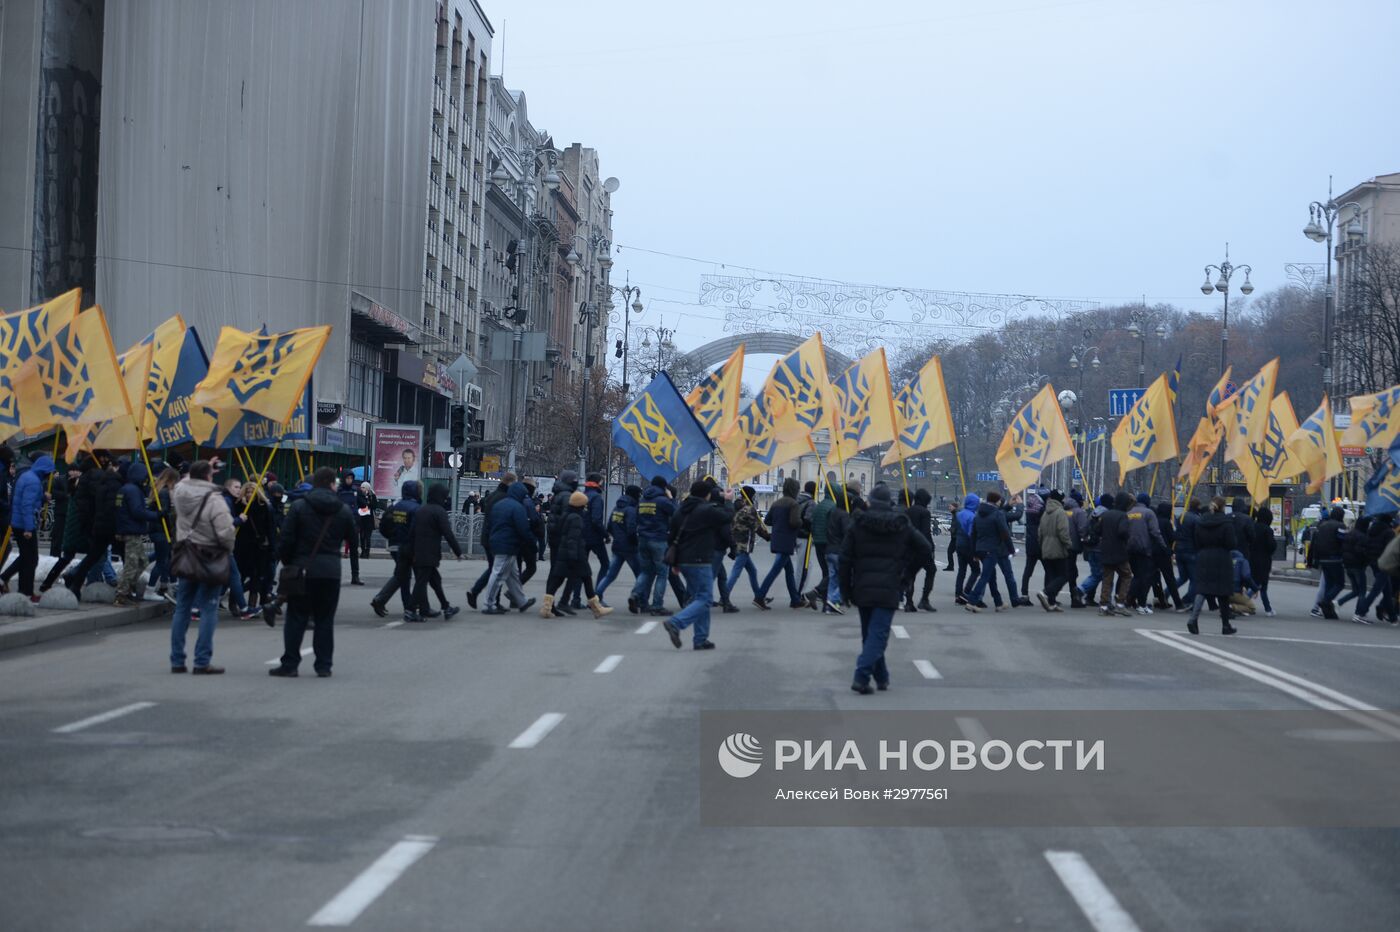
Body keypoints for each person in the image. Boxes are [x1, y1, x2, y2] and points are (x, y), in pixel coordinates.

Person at [843, 484, 932, 694]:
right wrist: (907, 573)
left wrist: (846, 589)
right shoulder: (901, 525)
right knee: (878, 634)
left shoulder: (858, 523)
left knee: (870, 634)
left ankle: (880, 676)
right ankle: (864, 675)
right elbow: (925, 548)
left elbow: (845, 559)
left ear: (871, 501)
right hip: (890, 586)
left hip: (862, 586)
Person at [269, 467, 356, 677]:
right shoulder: (343, 509)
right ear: (332, 485)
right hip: (330, 572)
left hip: (302, 569)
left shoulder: (299, 507)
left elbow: (286, 540)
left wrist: (292, 563)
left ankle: (290, 664)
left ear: (314, 483)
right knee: (325, 619)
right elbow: (353, 539)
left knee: (296, 617)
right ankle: (324, 665)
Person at [169, 460, 237, 674]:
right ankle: (201, 661)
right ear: (209, 476)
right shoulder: (215, 500)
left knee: (182, 608)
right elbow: (226, 531)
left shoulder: (179, 492)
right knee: (208, 608)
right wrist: (228, 549)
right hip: (209, 557)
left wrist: (203, 468)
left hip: (186, 555)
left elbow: (185, 481)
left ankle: (177, 660)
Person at [659, 479, 733, 650]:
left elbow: (672, 538)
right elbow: (727, 518)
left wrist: (676, 563)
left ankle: (700, 639)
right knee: (705, 599)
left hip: (684, 561)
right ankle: (675, 623)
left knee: (699, 597)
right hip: (700, 560)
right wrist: (728, 501)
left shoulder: (680, 510)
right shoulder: (706, 510)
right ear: (707, 495)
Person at [542, 490, 612, 618]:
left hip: (566, 552)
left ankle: (547, 607)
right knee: (586, 577)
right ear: (579, 505)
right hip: (575, 554)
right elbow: (573, 538)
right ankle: (596, 608)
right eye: (584, 505)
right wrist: (574, 556)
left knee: (559, 580)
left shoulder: (567, 515)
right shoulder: (576, 518)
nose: (585, 508)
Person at [63, 457, 122, 597]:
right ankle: (91, 582)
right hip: (103, 525)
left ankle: (77, 580)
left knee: (96, 555)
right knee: (100, 555)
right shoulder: (105, 480)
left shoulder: (89, 479)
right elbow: (106, 506)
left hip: (94, 524)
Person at [405, 484, 461, 622]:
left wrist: (411, 552)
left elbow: (411, 533)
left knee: (435, 580)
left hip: (419, 552)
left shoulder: (421, 510)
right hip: (429, 553)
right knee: (421, 582)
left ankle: (446, 607)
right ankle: (410, 610)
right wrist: (458, 551)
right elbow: (448, 533)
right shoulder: (439, 511)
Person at [1184, 496, 1239, 636]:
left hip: (1204, 557)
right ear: (1223, 507)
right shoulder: (1226, 522)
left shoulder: (1201, 521)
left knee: (1202, 589)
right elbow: (1232, 543)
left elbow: (1196, 541)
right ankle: (1225, 625)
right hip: (1222, 558)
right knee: (1223, 592)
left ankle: (1193, 619)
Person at [482, 480, 537, 615]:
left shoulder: (499, 505)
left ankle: (521, 601)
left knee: (513, 576)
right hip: (508, 545)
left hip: (497, 541)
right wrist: (532, 543)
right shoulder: (517, 508)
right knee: (498, 574)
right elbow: (523, 529)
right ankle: (488, 604)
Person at [369, 481, 421, 618]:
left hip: (394, 545)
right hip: (407, 546)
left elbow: (383, 525)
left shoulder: (394, 506)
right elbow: (415, 530)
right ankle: (381, 599)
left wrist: (391, 537)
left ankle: (408, 605)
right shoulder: (415, 508)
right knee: (402, 575)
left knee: (403, 574)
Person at [466, 472, 517, 609]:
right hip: (496, 537)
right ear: (511, 483)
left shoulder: (494, 495)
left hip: (488, 536)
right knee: (497, 570)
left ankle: (478, 593)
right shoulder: (504, 497)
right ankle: (485, 597)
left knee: (495, 569)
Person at [111, 462, 159, 606]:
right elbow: (137, 511)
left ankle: (127, 589)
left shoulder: (127, 489)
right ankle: (121, 594)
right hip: (131, 532)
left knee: (142, 561)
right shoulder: (132, 490)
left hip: (129, 530)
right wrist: (156, 515)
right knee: (132, 564)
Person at [754, 477, 806, 610]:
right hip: (787, 541)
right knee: (774, 571)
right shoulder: (793, 504)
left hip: (777, 539)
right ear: (795, 490)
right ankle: (759, 596)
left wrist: (779, 524)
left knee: (789, 571)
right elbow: (794, 522)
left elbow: (768, 521)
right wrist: (802, 522)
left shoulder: (776, 503)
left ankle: (795, 599)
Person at [6, 454, 53, 598]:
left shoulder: (28, 476)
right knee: (31, 559)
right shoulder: (33, 481)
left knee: (28, 558)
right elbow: (27, 505)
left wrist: (42, 497)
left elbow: (27, 498)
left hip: (19, 522)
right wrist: (28, 528)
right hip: (25, 525)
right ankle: (24, 591)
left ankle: (24, 591)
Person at [629, 476, 676, 616]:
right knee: (662, 573)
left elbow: (636, 517)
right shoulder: (662, 500)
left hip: (642, 538)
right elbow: (676, 512)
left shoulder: (642, 500)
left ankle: (636, 594)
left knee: (646, 571)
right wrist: (671, 498)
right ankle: (657, 605)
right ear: (663, 487)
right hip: (658, 539)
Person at [965, 491, 1018, 612]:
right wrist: (1011, 550)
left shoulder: (978, 514)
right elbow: (1004, 533)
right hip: (992, 549)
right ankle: (972, 601)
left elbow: (973, 535)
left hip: (980, 549)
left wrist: (974, 553)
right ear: (996, 501)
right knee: (985, 576)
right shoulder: (997, 514)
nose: (1000, 502)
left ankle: (998, 602)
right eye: (999, 500)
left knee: (991, 576)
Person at [597, 485, 641, 606]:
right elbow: (632, 530)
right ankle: (637, 597)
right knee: (641, 575)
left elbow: (609, 526)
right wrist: (635, 542)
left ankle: (596, 597)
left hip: (617, 546)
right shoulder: (631, 509)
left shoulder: (617, 507)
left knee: (610, 575)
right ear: (635, 495)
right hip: (630, 548)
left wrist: (617, 537)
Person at [234, 482, 274, 612]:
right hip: (242, 546)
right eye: (247, 492)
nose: (250, 494)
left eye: (252, 492)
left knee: (257, 576)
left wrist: (272, 546)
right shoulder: (239, 506)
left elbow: (270, 528)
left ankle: (252, 604)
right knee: (240, 575)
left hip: (259, 546)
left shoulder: (264, 507)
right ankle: (234, 602)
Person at [726, 486, 769, 603]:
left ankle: (759, 596)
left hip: (738, 542)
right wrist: (767, 536)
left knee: (752, 571)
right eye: (753, 495)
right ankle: (724, 596)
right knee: (736, 572)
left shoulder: (739, 505)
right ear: (750, 495)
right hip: (744, 544)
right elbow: (756, 526)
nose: (754, 497)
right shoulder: (748, 509)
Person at [1124, 493, 1166, 614]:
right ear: (1147, 501)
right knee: (1143, 577)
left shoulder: (1129, 512)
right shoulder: (1149, 513)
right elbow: (1155, 532)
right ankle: (1138, 602)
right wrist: (1163, 546)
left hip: (1130, 549)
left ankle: (1132, 600)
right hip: (1144, 549)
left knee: (1135, 575)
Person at [1093, 493, 1134, 616]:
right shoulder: (1123, 516)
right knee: (1127, 575)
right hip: (1119, 551)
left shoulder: (1106, 514)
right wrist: (1127, 537)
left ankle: (1104, 605)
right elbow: (1122, 531)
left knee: (1107, 578)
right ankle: (1120, 603)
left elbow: (1097, 530)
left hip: (1105, 550)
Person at [1353, 513, 1396, 625]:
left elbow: (1367, 544)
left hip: (1373, 561)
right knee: (1376, 590)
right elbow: (1391, 549)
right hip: (1385, 563)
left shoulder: (1372, 529)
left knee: (1387, 591)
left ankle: (1393, 618)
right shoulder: (1389, 532)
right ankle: (1360, 612)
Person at [1035, 490, 1073, 611]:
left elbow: (1039, 532)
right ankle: (1045, 593)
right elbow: (1063, 532)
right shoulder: (1060, 513)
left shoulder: (1045, 513)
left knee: (1051, 575)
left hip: (1045, 547)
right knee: (1064, 575)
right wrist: (1069, 545)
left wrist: (1042, 545)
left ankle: (1051, 602)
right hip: (1058, 548)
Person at [901, 488, 938, 612]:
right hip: (922, 548)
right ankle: (924, 600)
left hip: (909, 548)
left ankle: (909, 602)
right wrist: (931, 547)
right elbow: (926, 532)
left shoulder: (908, 511)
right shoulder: (925, 512)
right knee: (931, 570)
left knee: (910, 574)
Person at [1307, 507, 1347, 618]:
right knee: (1339, 583)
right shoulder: (1340, 526)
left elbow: (1316, 542)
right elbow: (1343, 541)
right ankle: (1325, 601)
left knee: (1329, 584)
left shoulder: (1322, 526)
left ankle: (1328, 611)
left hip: (1322, 559)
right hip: (1335, 559)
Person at [148, 467, 180, 602]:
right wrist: (173, 506)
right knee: (162, 561)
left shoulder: (157, 490)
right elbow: (165, 512)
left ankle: (166, 586)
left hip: (157, 530)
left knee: (166, 559)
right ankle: (149, 590)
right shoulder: (165, 492)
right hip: (162, 530)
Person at [1151, 501, 1186, 611]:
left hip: (1153, 553)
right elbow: (1171, 537)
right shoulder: (1166, 522)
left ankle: (1159, 600)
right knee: (1170, 579)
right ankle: (1178, 603)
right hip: (1164, 553)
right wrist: (1179, 533)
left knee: (1154, 578)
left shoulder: (1154, 520)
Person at [822, 487, 852, 614]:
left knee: (833, 578)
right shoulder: (844, 515)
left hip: (829, 549)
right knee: (846, 578)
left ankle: (829, 604)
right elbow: (847, 533)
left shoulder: (831, 512)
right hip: (839, 550)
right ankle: (834, 599)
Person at [581, 472, 609, 588]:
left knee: (581, 568)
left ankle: (575, 599)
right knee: (605, 564)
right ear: (598, 483)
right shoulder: (597, 497)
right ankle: (598, 594)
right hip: (594, 537)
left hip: (581, 536)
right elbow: (596, 520)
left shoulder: (582, 495)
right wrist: (606, 535)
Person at [1249, 505, 1278, 617]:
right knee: (1262, 585)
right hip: (1264, 560)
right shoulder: (1267, 530)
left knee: (1254, 582)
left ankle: (1267, 607)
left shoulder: (1252, 526)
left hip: (1252, 558)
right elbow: (1271, 546)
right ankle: (1267, 608)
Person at [335, 473, 364, 585]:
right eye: (347, 478)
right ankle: (335, 575)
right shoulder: (339, 491)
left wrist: (359, 515)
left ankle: (355, 576)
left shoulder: (356, 490)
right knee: (334, 550)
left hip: (353, 524)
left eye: (351, 478)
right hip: (339, 523)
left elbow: (362, 504)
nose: (349, 480)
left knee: (354, 551)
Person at [953, 493, 980, 604]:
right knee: (976, 570)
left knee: (961, 571)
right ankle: (966, 592)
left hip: (958, 545)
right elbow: (971, 534)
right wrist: (975, 552)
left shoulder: (959, 514)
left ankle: (958, 594)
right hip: (968, 546)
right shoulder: (972, 517)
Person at [1019, 488, 1046, 600]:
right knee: (1049, 570)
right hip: (1041, 545)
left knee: (1028, 570)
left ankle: (1024, 594)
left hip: (1030, 544)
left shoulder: (1030, 508)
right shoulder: (1042, 510)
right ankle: (1047, 595)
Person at [47, 460, 69, 559]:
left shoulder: (80, 481)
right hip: (61, 512)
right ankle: (54, 556)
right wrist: (65, 495)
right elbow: (52, 492)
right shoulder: (60, 480)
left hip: (72, 513)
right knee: (58, 536)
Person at [358, 482, 377, 559]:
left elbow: (374, 506)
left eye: (363, 487)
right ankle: (363, 551)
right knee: (362, 536)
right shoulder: (360, 495)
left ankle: (367, 552)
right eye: (361, 487)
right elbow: (360, 504)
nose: (362, 489)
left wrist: (368, 502)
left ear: (367, 488)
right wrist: (366, 504)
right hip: (362, 518)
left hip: (369, 519)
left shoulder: (372, 495)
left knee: (368, 537)